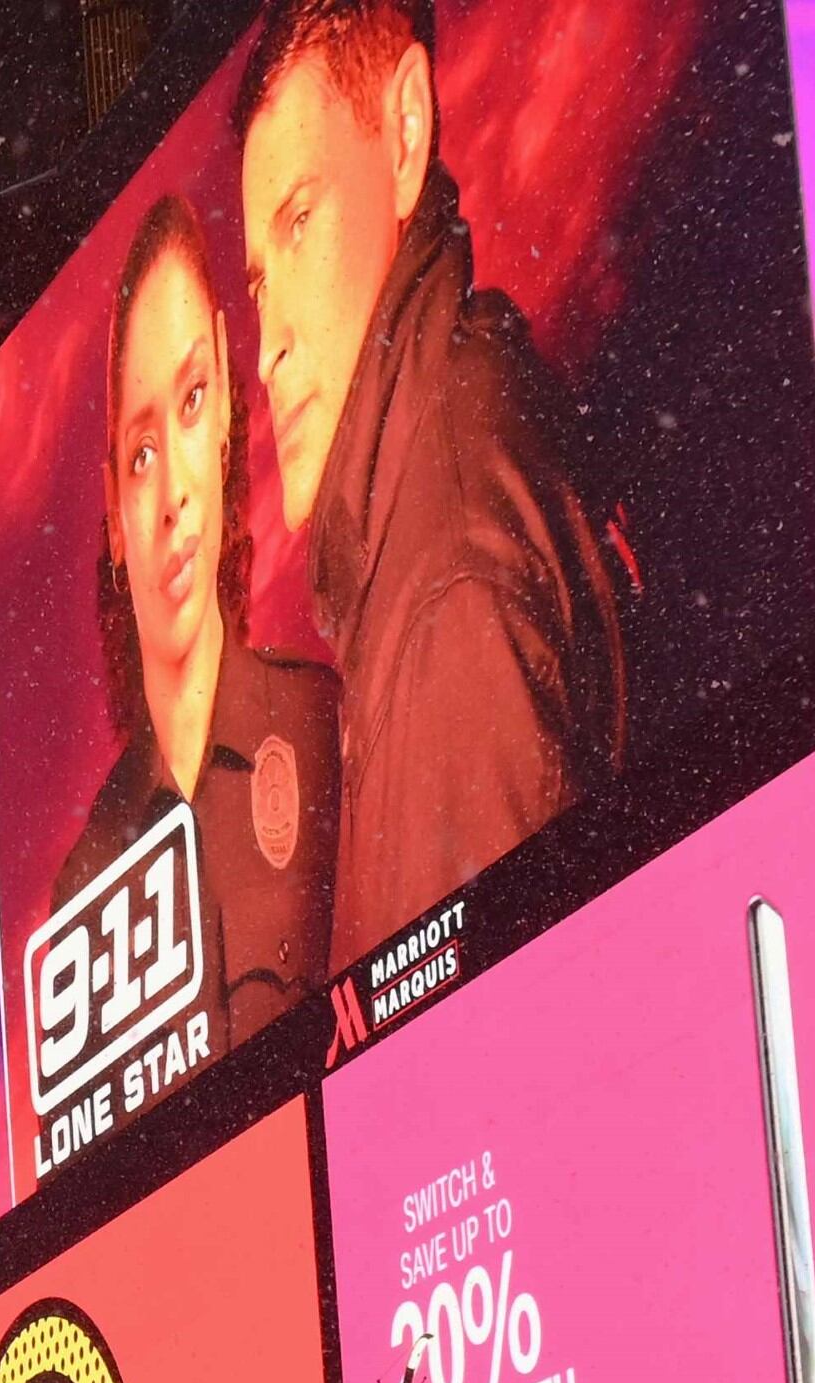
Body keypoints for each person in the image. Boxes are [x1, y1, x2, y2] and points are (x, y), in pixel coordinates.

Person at [237, 0, 623, 964]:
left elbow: (490, 1090)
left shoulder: (443, 583)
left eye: (299, 221)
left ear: (406, 134)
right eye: (255, 281)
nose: (268, 345)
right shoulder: (439, 462)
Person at [47, 190, 342, 1044]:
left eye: (191, 401)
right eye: (140, 455)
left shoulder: (326, 728)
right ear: (110, 510)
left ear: (222, 403)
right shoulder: (90, 884)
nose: (174, 492)